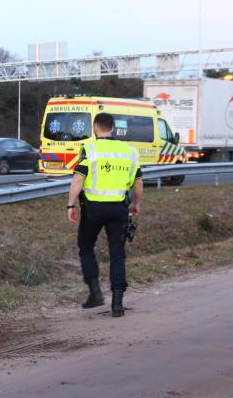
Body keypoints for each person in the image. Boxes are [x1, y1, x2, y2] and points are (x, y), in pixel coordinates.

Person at [66, 113, 143, 317]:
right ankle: (117, 304)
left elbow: (77, 180)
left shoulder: (90, 149)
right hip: (119, 209)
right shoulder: (129, 152)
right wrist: (136, 204)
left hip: (93, 209)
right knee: (117, 253)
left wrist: (70, 205)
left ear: (94, 128)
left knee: (86, 246)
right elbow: (138, 183)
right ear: (113, 128)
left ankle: (95, 293)